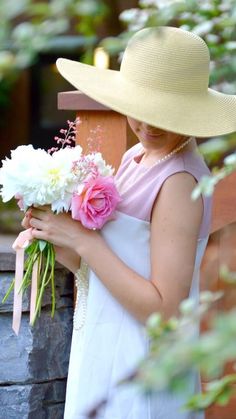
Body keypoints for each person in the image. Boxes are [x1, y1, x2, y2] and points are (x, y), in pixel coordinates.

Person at [23, 26, 236, 418]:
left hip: (143, 366)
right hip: (108, 346)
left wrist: (84, 241)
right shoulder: (136, 156)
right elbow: (114, 265)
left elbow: (165, 314)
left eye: (166, 113)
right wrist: (55, 233)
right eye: (141, 107)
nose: (149, 124)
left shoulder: (179, 179)